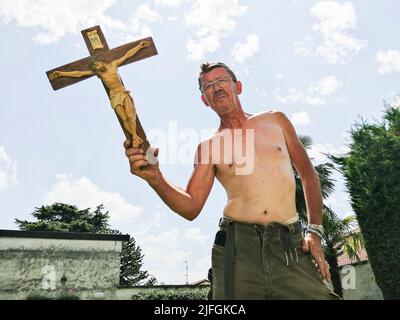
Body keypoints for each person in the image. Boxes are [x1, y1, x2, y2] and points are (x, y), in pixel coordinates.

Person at [124, 62, 339, 300]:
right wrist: (157, 178)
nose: (216, 88)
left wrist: (315, 232)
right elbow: (191, 206)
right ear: (205, 100)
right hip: (238, 249)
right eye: (208, 86)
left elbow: (308, 175)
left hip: (289, 243)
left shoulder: (275, 121)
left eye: (221, 81)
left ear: (237, 86)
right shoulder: (208, 147)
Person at [49, 40, 151, 148]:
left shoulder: (113, 65)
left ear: (101, 62)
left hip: (122, 92)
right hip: (114, 96)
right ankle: (134, 137)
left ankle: (134, 137)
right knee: (124, 119)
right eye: (95, 67)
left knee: (130, 115)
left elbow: (127, 55)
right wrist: (61, 73)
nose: (97, 67)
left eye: (97, 64)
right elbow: (79, 74)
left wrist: (140, 46)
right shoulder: (99, 74)